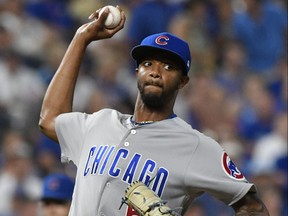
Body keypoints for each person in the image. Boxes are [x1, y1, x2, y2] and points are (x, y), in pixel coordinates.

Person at [38, 6, 270, 215]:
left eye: (169, 67)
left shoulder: (194, 145)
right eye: (148, 64)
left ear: (183, 81)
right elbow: (49, 119)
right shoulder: (100, 122)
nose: (156, 72)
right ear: (136, 71)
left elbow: (253, 207)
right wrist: (81, 39)